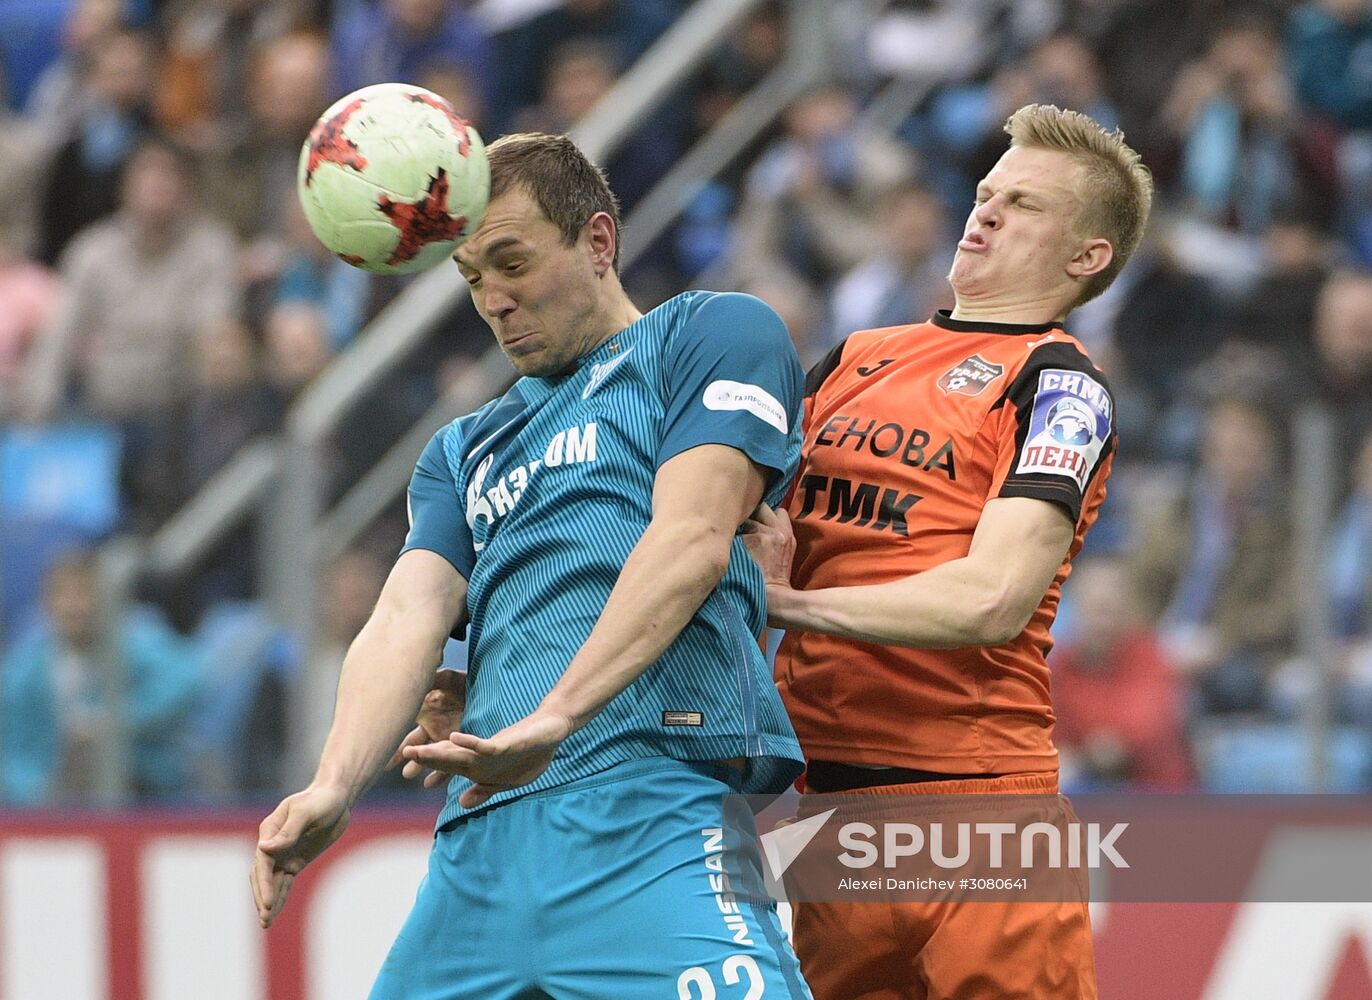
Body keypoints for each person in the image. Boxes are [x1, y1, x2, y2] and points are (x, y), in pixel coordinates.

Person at [250, 133, 814, 999]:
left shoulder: (709, 334)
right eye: (473, 278)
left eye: (512, 262)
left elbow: (693, 537)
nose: (494, 300)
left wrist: (554, 717)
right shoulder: (461, 449)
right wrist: (334, 784)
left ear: (597, 242)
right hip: (476, 847)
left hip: (648, 812)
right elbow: (406, 613)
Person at [742, 104, 1153, 1000]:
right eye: (987, 192)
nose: (989, 211)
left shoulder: (1060, 386)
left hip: (980, 813)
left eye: (1027, 204)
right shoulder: (853, 357)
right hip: (833, 818)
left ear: (1088, 257)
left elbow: (990, 600)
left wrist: (786, 603)